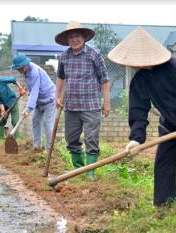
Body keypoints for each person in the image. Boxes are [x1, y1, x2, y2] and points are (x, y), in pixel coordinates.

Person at [108, 27, 176, 218]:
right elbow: (138, 110)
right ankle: (164, 206)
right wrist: (136, 138)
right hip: (170, 123)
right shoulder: (140, 80)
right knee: (163, 162)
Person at [55, 20, 110, 179]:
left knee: (91, 139)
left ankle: (90, 172)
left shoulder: (94, 54)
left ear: (84, 37)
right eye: (71, 37)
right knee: (71, 139)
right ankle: (79, 170)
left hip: (91, 105)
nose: (74, 39)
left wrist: (106, 103)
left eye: (77, 36)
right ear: (67, 39)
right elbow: (60, 78)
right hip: (71, 106)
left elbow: (104, 80)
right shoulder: (64, 56)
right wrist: (57, 96)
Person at [12, 53, 56, 153]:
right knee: (35, 121)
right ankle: (37, 147)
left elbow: (35, 90)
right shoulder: (26, 72)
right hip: (39, 101)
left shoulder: (34, 72)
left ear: (26, 65)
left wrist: (28, 108)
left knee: (47, 124)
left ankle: (49, 150)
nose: (19, 71)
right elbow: (33, 89)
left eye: (20, 68)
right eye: (18, 69)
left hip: (49, 99)